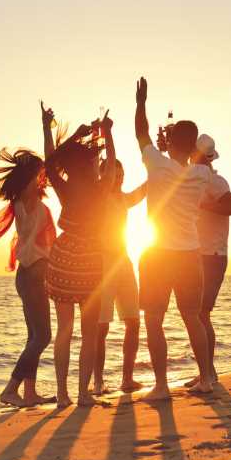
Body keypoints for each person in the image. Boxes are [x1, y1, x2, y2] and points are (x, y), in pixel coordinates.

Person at [133, 76, 216, 400]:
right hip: (190, 253)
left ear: (170, 142)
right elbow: (205, 159)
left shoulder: (157, 164)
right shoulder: (202, 174)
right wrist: (188, 147)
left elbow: (140, 133)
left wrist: (141, 102)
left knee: (154, 319)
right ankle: (207, 377)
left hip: (158, 253)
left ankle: (162, 386)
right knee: (192, 317)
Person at [45, 111, 117, 407]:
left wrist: (68, 134)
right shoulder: (101, 188)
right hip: (89, 257)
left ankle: (62, 395)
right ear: (90, 164)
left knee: (64, 329)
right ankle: (83, 393)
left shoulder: (65, 186)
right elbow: (111, 161)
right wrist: (108, 132)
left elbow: (50, 162)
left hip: (62, 255)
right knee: (89, 333)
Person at [0, 142, 56, 408]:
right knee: (43, 337)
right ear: (31, 176)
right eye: (38, 174)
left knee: (33, 337)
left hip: (27, 274)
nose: (42, 178)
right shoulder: (30, 201)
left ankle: (30, 393)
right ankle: (10, 389)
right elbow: (49, 168)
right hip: (34, 273)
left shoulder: (21, 201)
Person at [186, 134, 231, 388]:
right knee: (198, 313)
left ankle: (208, 374)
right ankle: (207, 372)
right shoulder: (198, 179)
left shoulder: (216, 182)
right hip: (200, 254)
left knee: (201, 313)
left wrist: (205, 206)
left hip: (214, 255)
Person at [93, 159, 146, 395]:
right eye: (114, 173)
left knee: (133, 321)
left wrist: (158, 167)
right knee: (101, 327)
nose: (119, 177)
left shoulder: (124, 199)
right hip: (102, 264)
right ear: (103, 175)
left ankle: (127, 378)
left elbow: (144, 190)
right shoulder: (98, 199)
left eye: (121, 173)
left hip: (123, 262)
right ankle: (97, 382)